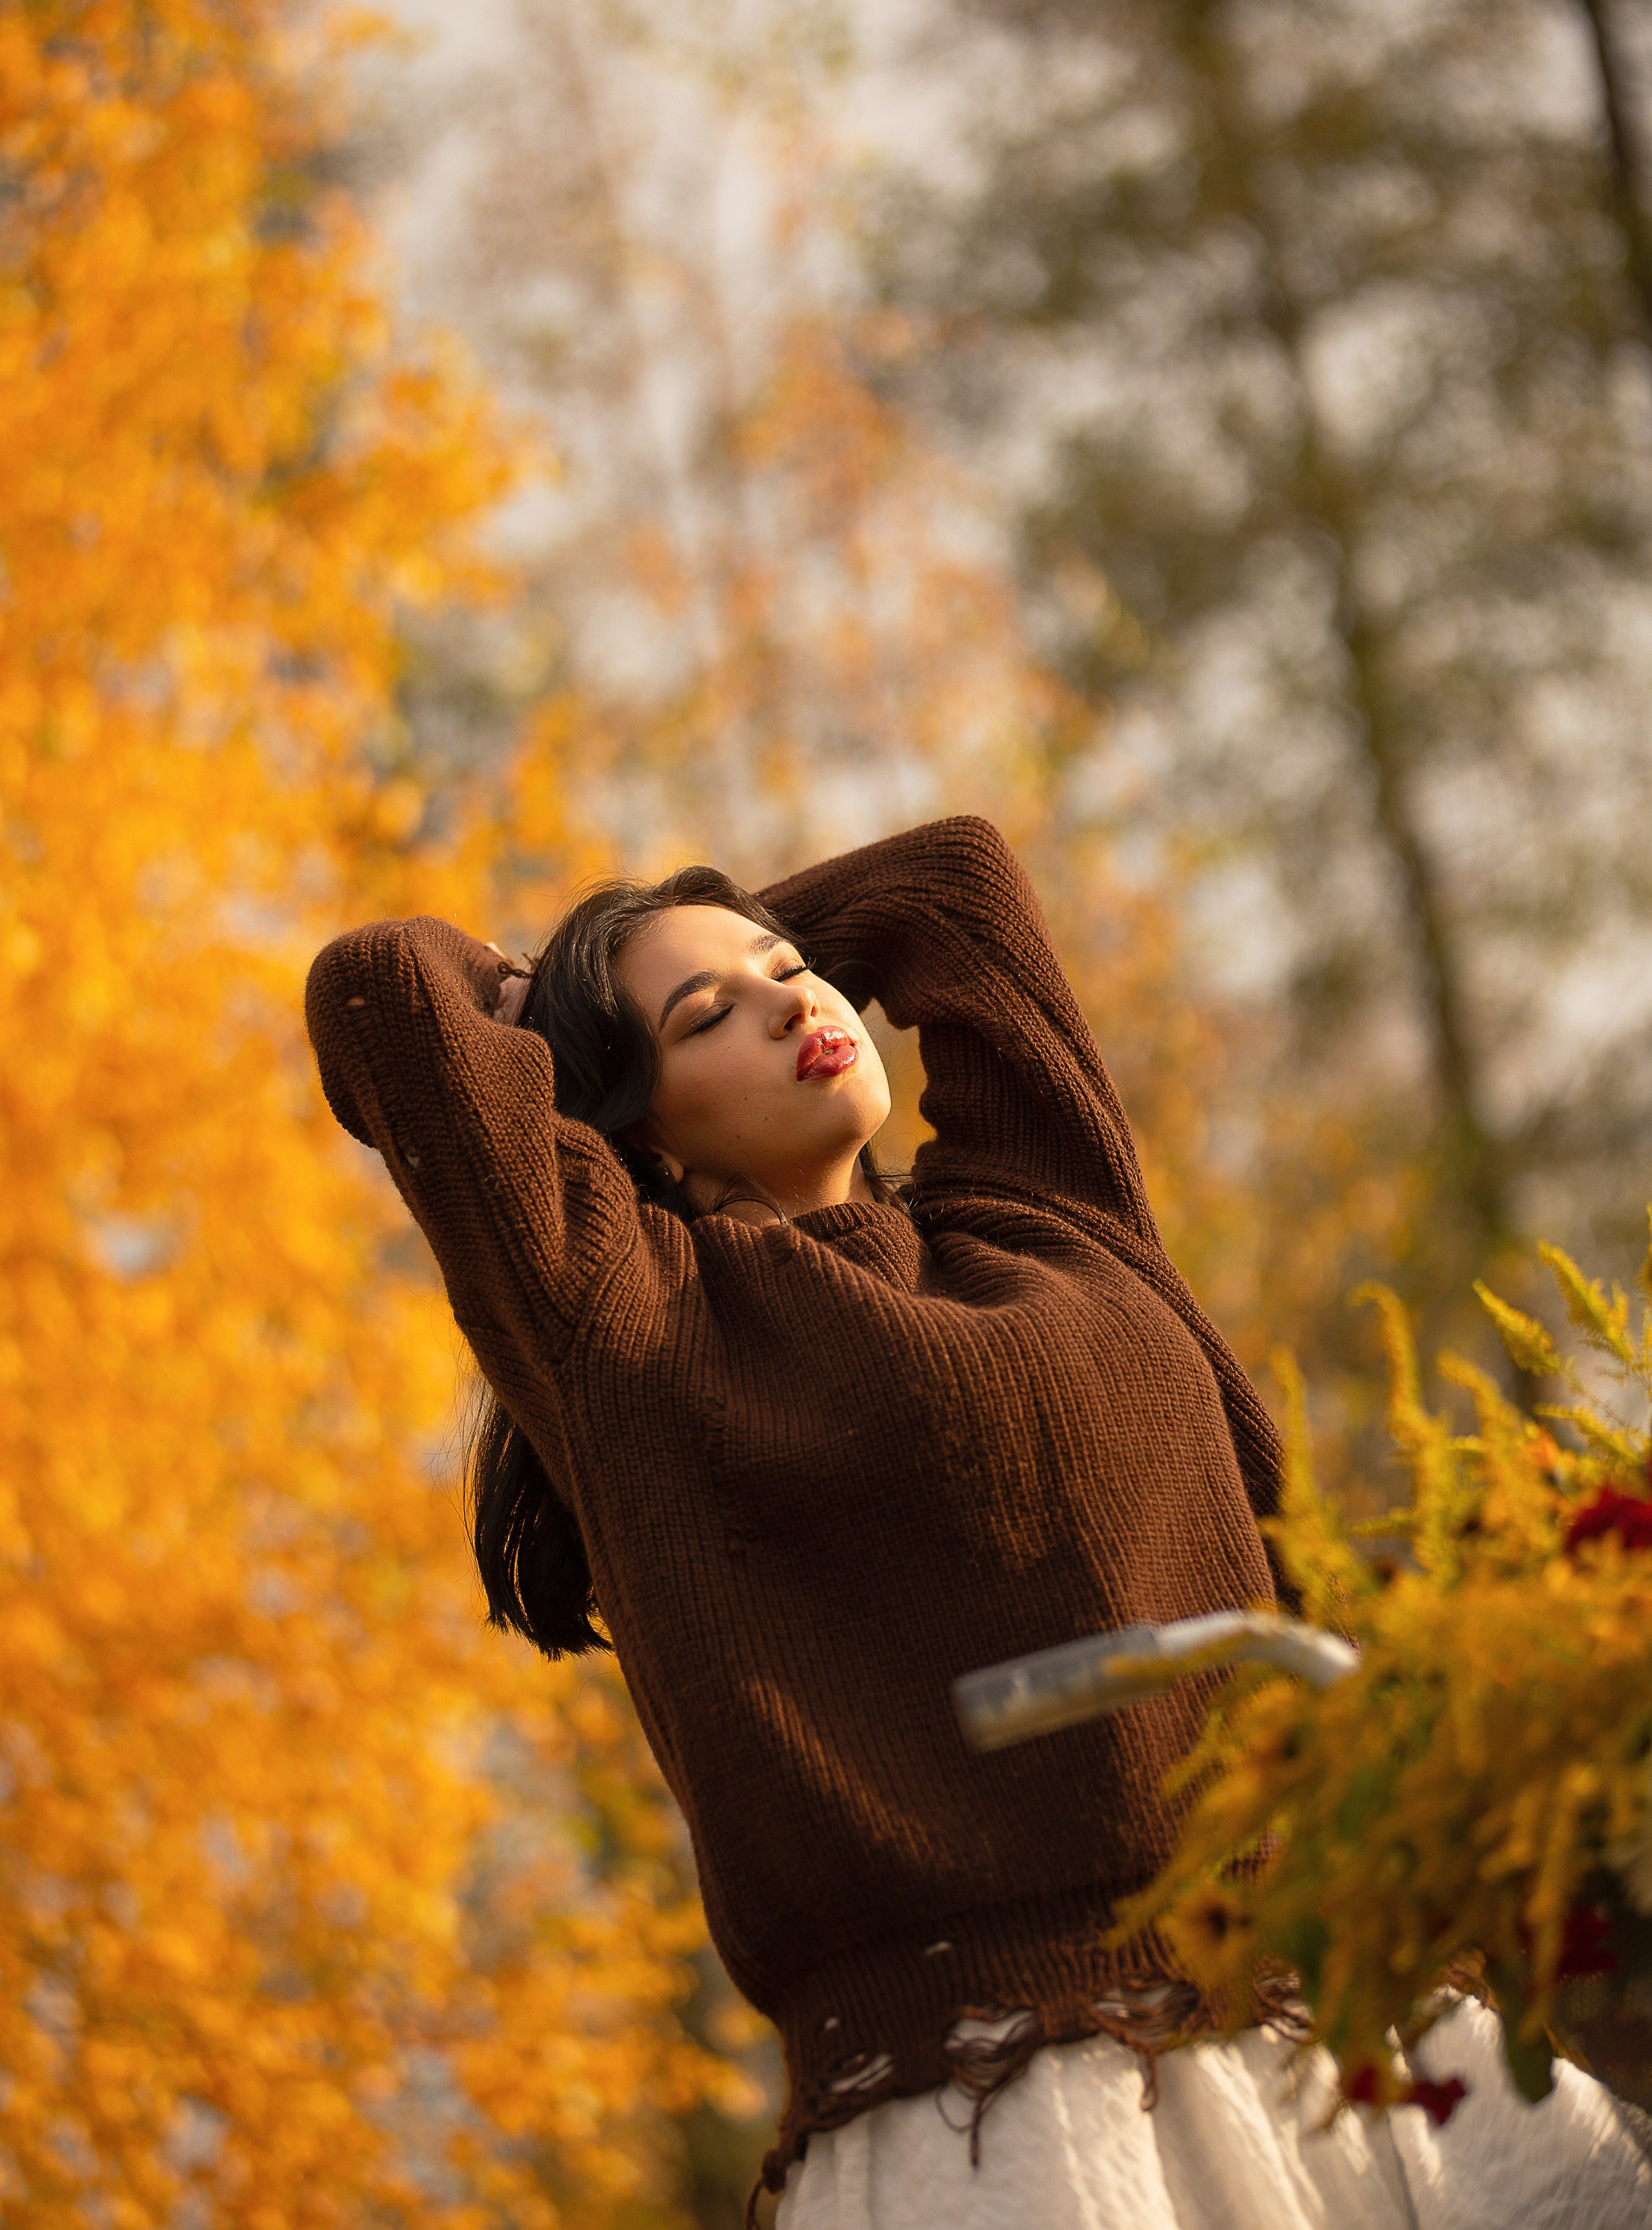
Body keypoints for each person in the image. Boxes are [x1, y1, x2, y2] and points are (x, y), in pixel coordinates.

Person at [305, 816, 1650, 2230]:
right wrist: (554, 1003)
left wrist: (691, 946)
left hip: (1361, 2021)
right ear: (632, 1123)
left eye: (794, 968)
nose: (793, 1000)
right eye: (709, 1016)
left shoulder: (1042, 1215)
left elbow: (952, 883)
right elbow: (382, 994)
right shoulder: (635, 1334)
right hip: (1003, 2111)